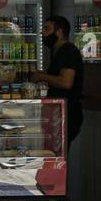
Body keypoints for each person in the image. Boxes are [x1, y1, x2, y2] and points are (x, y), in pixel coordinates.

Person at [35, 15, 85, 147]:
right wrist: (43, 74)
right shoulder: (60, 51)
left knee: (58, 154)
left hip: (67, 114)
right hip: (60, 113)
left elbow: (66, 83)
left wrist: (42, 77)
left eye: (47, 28)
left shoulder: (68, 51)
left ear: (59, 31)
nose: (43, 32)